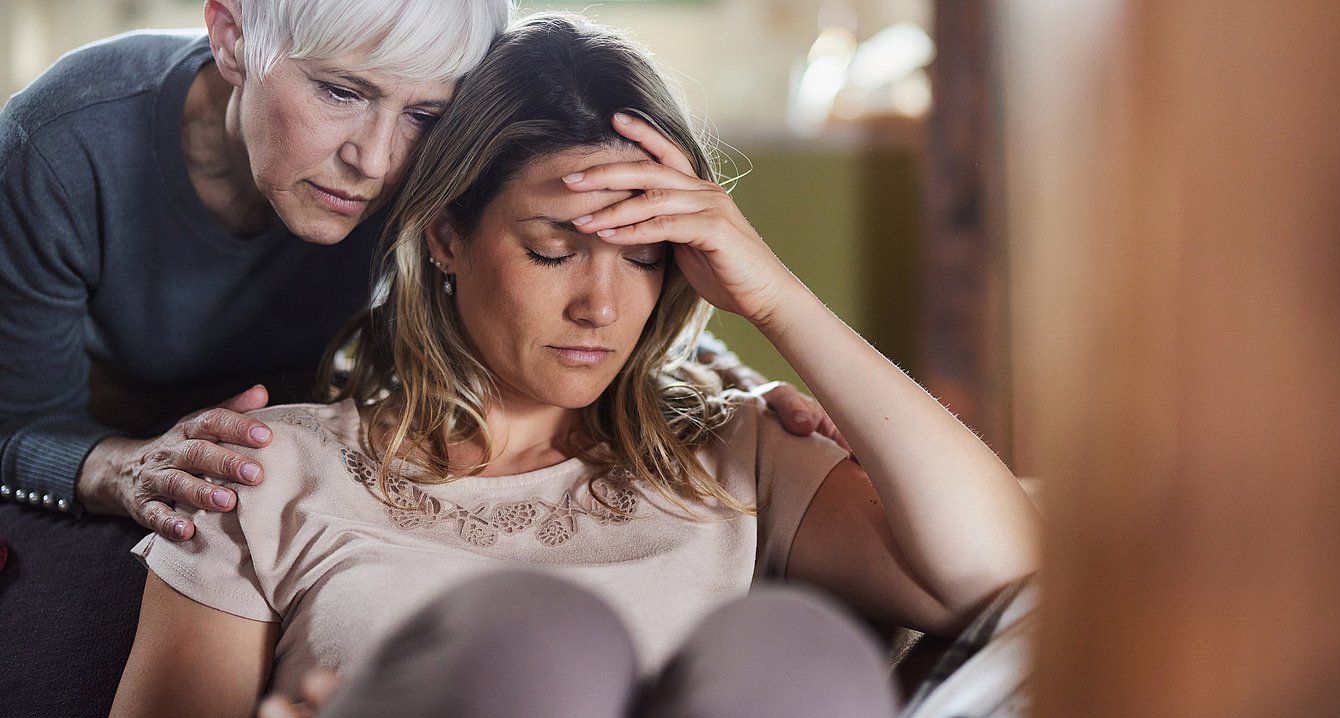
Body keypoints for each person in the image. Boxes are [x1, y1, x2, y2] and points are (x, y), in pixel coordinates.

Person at [110, 11, 1041, 718]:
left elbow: (998, 567)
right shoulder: (262, 470)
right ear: (446, 237)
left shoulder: (739, 451)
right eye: (556, 250)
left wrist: (777, 299)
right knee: (539, 641)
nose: (603, 305)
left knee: (798, 652)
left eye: (643, 255)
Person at [0, 1, 824, 713]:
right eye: (339, 91)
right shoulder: (64, 142)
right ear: (229, 33)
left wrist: (723, 372)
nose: (375, 158)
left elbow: (562, 257)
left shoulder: (421, 172)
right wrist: (127, 469)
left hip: (303, 455)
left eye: (424, 112)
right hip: (137, 471)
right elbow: (15, 421)